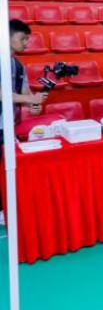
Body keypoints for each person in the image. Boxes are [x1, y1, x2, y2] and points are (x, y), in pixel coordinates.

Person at [1, 20, 47, 226]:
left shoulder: (18, 65)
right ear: (7, 37)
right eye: (22, 38)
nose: (26, 43)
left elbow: (25, 92)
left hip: (8, 126)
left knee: (7, 168)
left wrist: (33, 104)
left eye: (27, 39)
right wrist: (29, 99)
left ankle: (5, 208)